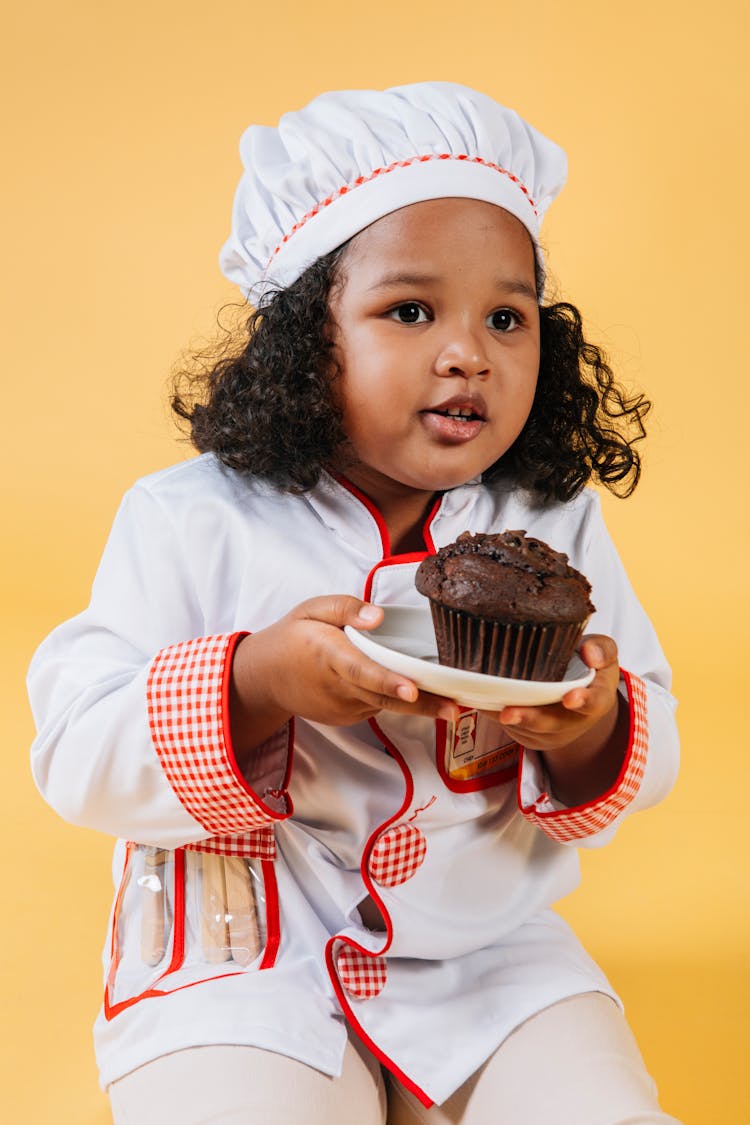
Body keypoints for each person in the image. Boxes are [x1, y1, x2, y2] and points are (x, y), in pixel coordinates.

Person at [28, 82, 681, 1124]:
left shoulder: (550, 516)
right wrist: (258, 681)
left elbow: (646, 719)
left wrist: (591, 725)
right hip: (242, 956)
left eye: (506, 317)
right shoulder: (189, 517)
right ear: (301, 341)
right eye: (410, 311)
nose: (466, 350)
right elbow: (73, 751)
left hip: (487, 957)